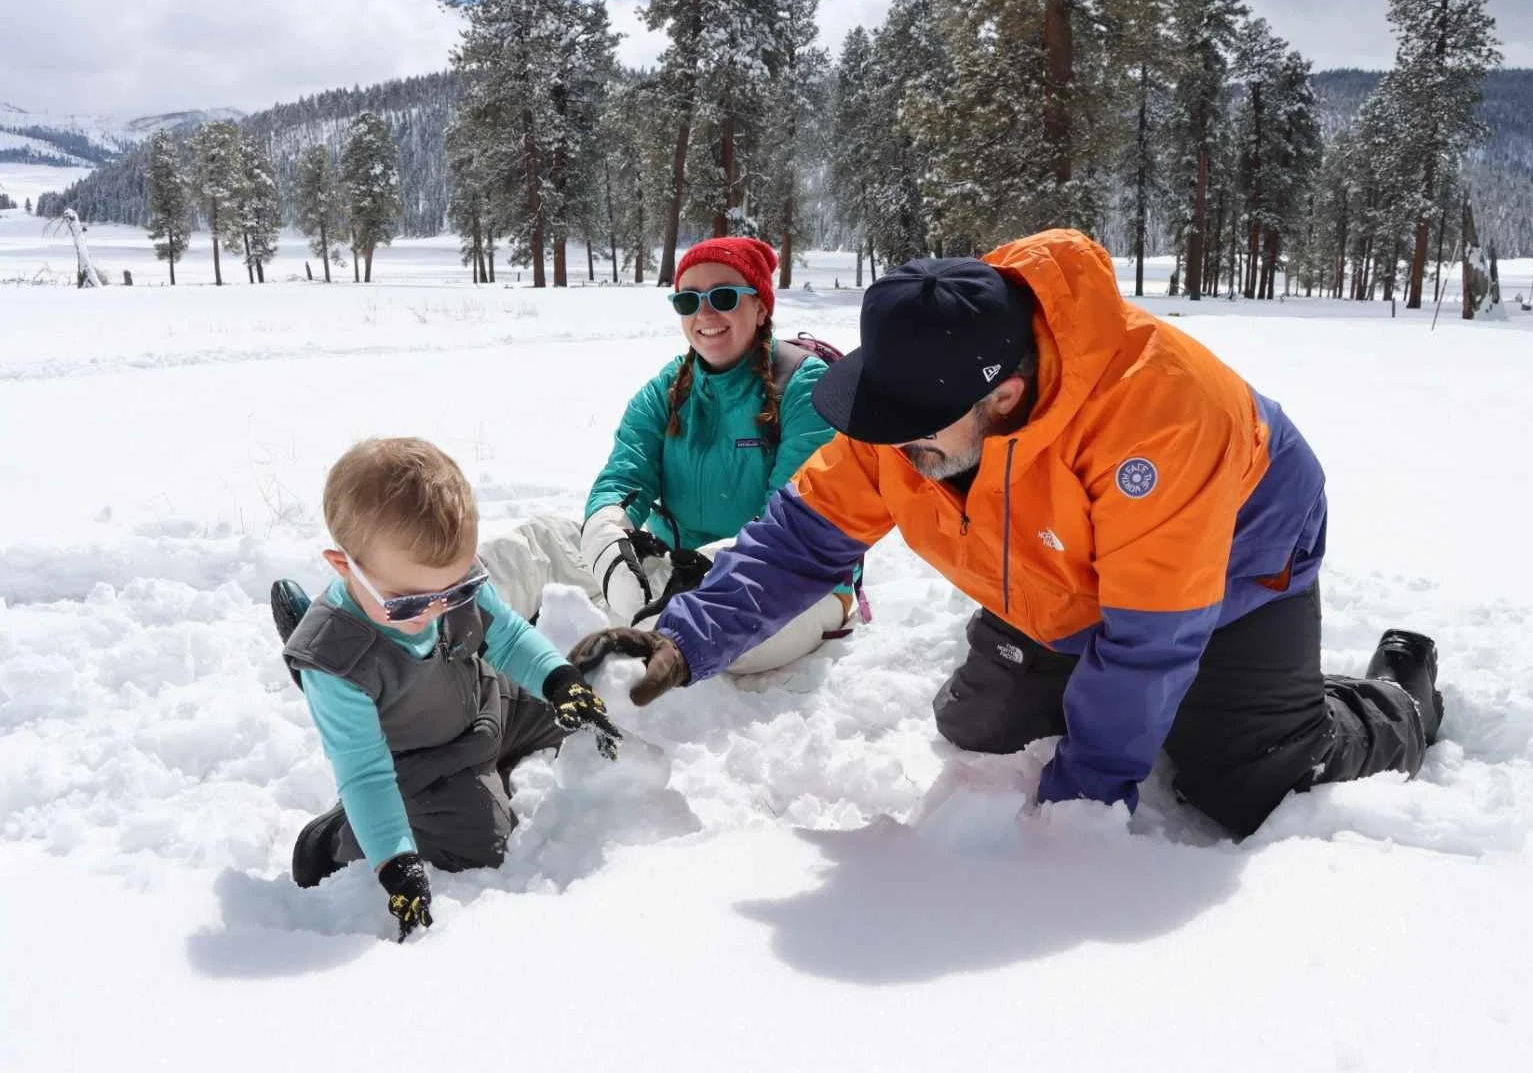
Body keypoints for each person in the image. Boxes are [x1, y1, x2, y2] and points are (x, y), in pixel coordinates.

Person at [566, 227, 1446, 841]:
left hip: (1234, 564)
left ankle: (1393, 698)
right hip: (1059, 571)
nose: (896, 453)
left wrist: (1075, 823)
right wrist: (681, 639)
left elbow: (1148, 638)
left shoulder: (1159, 418)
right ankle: (1193, 705)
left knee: (1248, 776)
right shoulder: (911, 416)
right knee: (982, 728)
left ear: (1008, 397)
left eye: (916, 434)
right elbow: (799, 542)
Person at [269, 437, 622, 940]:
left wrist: (559, 680)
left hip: (484, 699)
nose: (437, 609)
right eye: (409, 604)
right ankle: (335, 837)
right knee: (484, 851)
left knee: (582, 719)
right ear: (344, 566)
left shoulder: (435, 579)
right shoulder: (341, 668)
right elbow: (367, 776)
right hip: (421, 759)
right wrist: (396, 863)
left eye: (456, 590)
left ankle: (491, 743)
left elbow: (504, 631)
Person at [479, 235, 861, 676]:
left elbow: (793, 520)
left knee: (724, 638)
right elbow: (625, 475)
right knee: (544, 542)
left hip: (785, 578)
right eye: (688, 300)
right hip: (674, 563)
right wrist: (608, 536)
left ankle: (654, 628)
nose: (705, 313)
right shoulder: (667, 389)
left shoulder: (804, 386)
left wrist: (706, 569)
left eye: (723, 296)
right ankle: (446, 612)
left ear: (760, 308)